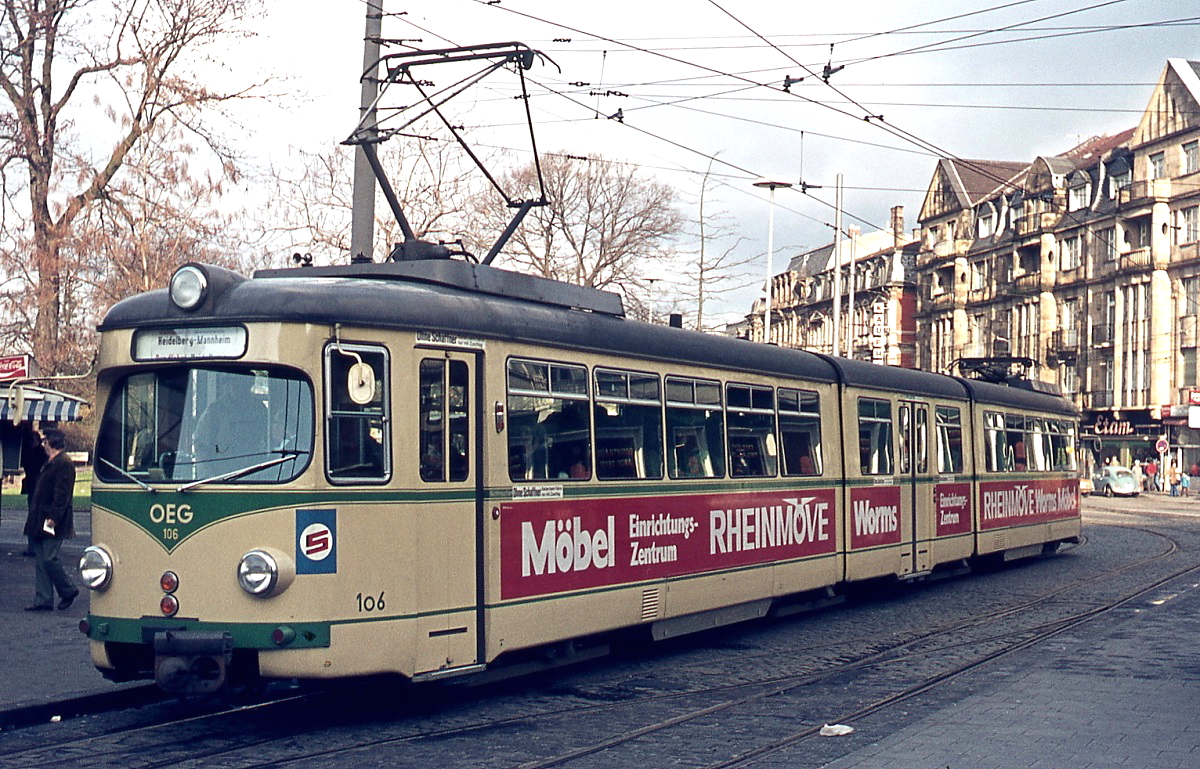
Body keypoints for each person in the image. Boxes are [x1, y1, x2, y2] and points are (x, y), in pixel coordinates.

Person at [22, 428, 79, 611]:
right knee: (41, 559)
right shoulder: (51, 462)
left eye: (45, 441)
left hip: (52, 520)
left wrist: (54, 518)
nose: (43, 445)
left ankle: (68, 590)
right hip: (41, 518)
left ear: (52, 443)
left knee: (49, 558)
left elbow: (62, 495)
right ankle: (43, 599)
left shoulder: (64, 463)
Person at [19, 429, 45, 557]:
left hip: (35, 486)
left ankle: (33, 547)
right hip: (36, 486)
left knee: (34, 517)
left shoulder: (35, 453)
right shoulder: (39, 453)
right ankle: (35, 547)